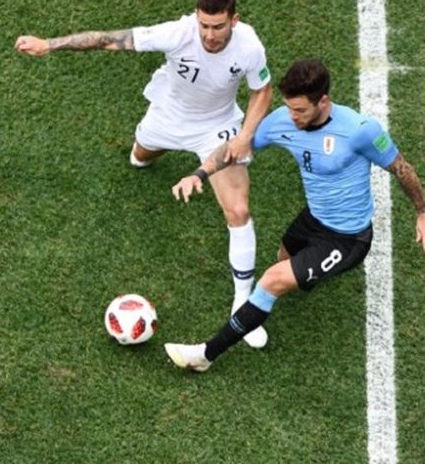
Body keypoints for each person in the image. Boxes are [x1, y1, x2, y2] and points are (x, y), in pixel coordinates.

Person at [15, 0, 273, 348]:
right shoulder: (177, 34)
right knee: (139, 157)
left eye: (218, 26)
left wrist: (245, 134)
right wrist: (49, 43)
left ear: (234, 19)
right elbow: (108, 40)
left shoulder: (249, 45)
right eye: (204, 26)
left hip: (217, 128)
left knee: (238, 208)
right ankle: (147, 151)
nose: (209, 35)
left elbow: (262, 91)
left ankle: (242, 302)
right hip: (167, 117)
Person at [164, 58, 425, 372]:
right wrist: (199, 174)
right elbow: (236, 147)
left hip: (348, 238)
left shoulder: (360, 131)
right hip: (312, 219)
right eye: (289, 108)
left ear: (323, 101)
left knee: (272, 280)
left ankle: (205, 355)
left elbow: (401, 168)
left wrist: (422, 210)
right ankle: (305, 278)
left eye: (300, 110)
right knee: (282, 259)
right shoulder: (282, 121)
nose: (293, 117)